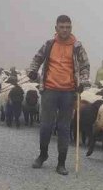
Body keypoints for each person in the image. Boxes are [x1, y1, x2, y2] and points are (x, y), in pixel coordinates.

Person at [26, 15, 91, 175]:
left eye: (68, 27)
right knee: (46, 125)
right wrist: (33, 71)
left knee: (63, 127)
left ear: (71, 28)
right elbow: (37, 59)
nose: (65, 30)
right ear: (56, 28)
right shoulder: (49, 44)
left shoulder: (77, 47)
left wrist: (82, 81)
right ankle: (43, 155)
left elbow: (85, 66)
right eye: (62, 27)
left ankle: (61, 163)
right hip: (49, 89)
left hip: (68, 92)